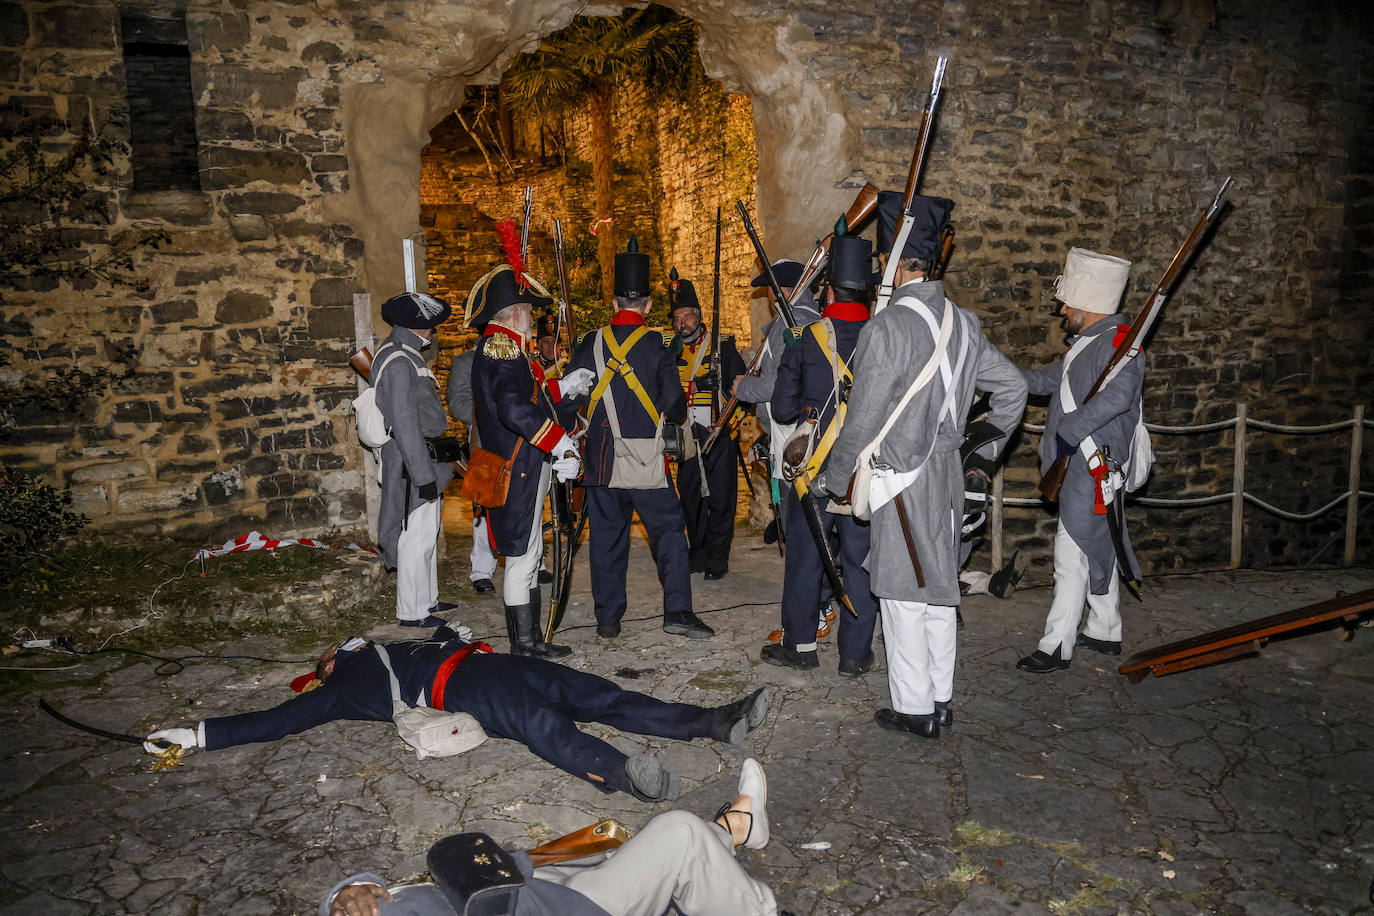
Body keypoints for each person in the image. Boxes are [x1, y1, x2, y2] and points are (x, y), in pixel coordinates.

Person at [815, 192, 1027, 739]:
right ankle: (941, 699)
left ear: (893, 260)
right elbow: (1013, 389)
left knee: (903, 597)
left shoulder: (885, 329)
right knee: (940, 590)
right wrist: (979, 456)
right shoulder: (965, 323)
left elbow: (860, 426)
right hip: (949, 477)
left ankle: (914, 710)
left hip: (901, 478)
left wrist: (831, 482)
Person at [143, 627, 772, 804]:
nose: (341, 646)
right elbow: (277, 720)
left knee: (606, 696)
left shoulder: (390, 641)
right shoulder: (343, 686)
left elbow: (442, 629)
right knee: (544, 729)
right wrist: (199, 733)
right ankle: (627, 777)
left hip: (502, 664)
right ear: (327, 667)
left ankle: (712, 721)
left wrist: (451, 631)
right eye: (331, 652)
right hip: (467, 692)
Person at [319, 758, 779, 916]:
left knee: (658, 844)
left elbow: (345, 900)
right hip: (558, 908)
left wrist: (348, 890)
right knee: (678, 834)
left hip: (532, 888)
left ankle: (736, 829)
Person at [563, 237, 712, 641]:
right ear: (648, 306)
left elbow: (569, 397)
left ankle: (608, 621)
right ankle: (677, 613)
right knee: (668, 535)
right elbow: (676, 407)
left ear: (613, 304)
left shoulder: (590, 343)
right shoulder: (659, 345)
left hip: (601, 461)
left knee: (606, 543)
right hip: (647, 460)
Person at [1015, 247, 1143, 673]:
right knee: (1095, 547)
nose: (1063, 309)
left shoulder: (1120, 344)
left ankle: (1056, 646)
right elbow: (1041, 382)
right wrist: (990, 369)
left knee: (1071, 557)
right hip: (1086, 467)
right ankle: (1105, 629)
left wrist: (1070, 432)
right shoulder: (1087, 346)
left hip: (1092, 466)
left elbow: (1120, 396)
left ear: (1088, 306)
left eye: (1068, 302)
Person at [466, 260, 594, 658]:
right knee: (522, 556)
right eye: (530, 311)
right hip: (517, 466)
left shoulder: (504, 347)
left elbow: (532, 399)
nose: (533, 318)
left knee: (530, 552)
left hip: (521, 463)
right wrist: (559, 444)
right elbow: (515, 410)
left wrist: (562, 386)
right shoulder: (503, 349)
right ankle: (525, 647)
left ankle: (532, 641)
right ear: (517, 312)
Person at [764, 235, 879, 677]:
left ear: (827, 291)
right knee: (859, 561)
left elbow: (782, 409)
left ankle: (802, 644)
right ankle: (854, 654)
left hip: (813, 468)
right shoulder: (882, 333)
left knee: (807, 560)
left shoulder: (805, 337)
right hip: (864, 470)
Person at [374, 291, 461, 628]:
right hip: (414, 460)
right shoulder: (398, 361)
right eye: (429, 328)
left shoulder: (405, 356)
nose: (432, 334)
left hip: (422, 456)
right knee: (414, 536)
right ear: (417, 329)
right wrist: (422, 474)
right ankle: (411, 611)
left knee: (427, 532)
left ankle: (427, 600)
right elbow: (406, 422)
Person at [667, 274, 747, 580]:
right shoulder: (668, 351)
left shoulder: (722, 346)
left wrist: (728, 425)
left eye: (687, 316)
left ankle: (717, 558)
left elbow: (743, 391)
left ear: (698, 317)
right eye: (677, 318)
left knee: (722, 498)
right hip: (685, 432)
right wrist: (693, 386)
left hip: (717, 429)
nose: (682, 323)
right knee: (690, 497)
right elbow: (662, 392)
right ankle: (697, 552)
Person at [446, 346, 498, 595]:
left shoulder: (518, 355)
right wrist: (498, 416)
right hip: (484, 440)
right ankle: (482, 571)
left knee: (528, 503)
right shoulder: (465, 362)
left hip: (521, 440)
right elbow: (458, 404)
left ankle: (534, 562)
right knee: (483, 508)